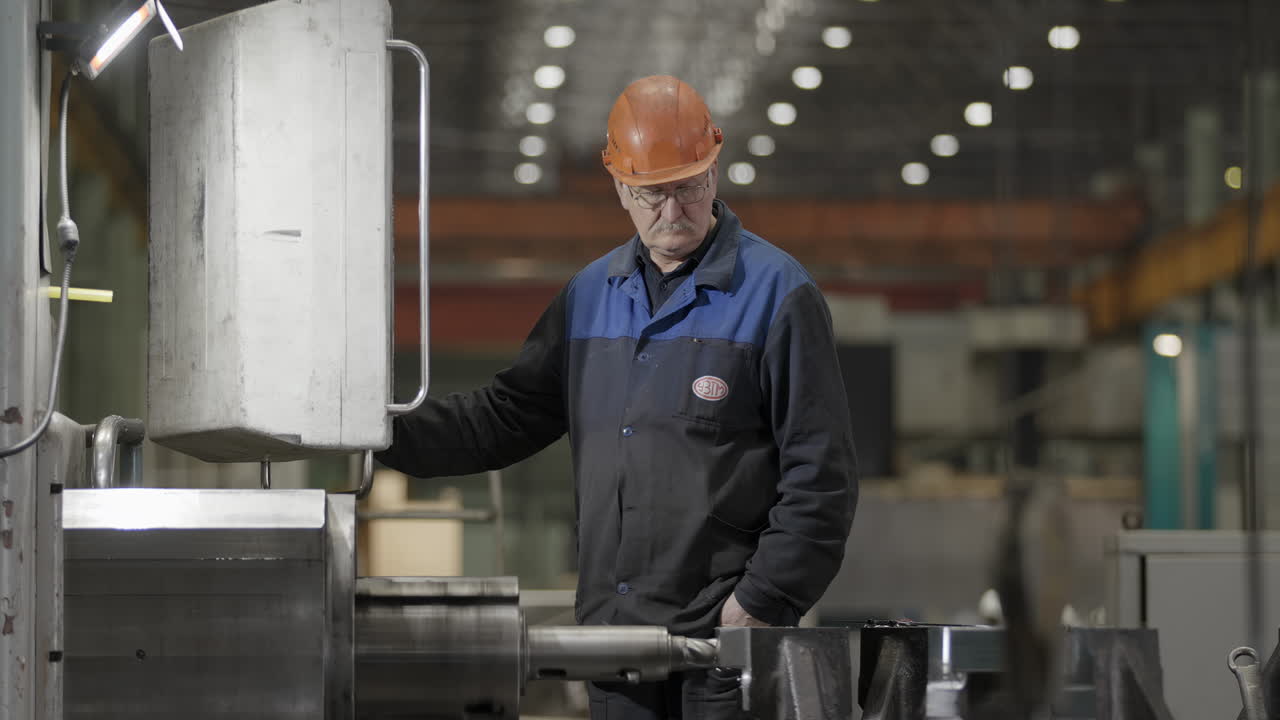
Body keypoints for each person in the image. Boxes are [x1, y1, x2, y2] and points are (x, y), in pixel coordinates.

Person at [375, 75, 857, 720]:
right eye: (652, 192)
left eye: (690, 187)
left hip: (725, 646)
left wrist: (762, 600)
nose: (673, 211)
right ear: (620, 187)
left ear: (715, 171)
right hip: (615, 642)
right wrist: (373, 430)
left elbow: (822, 475)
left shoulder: (777, 294)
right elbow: (504, 417)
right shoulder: (589, 296)